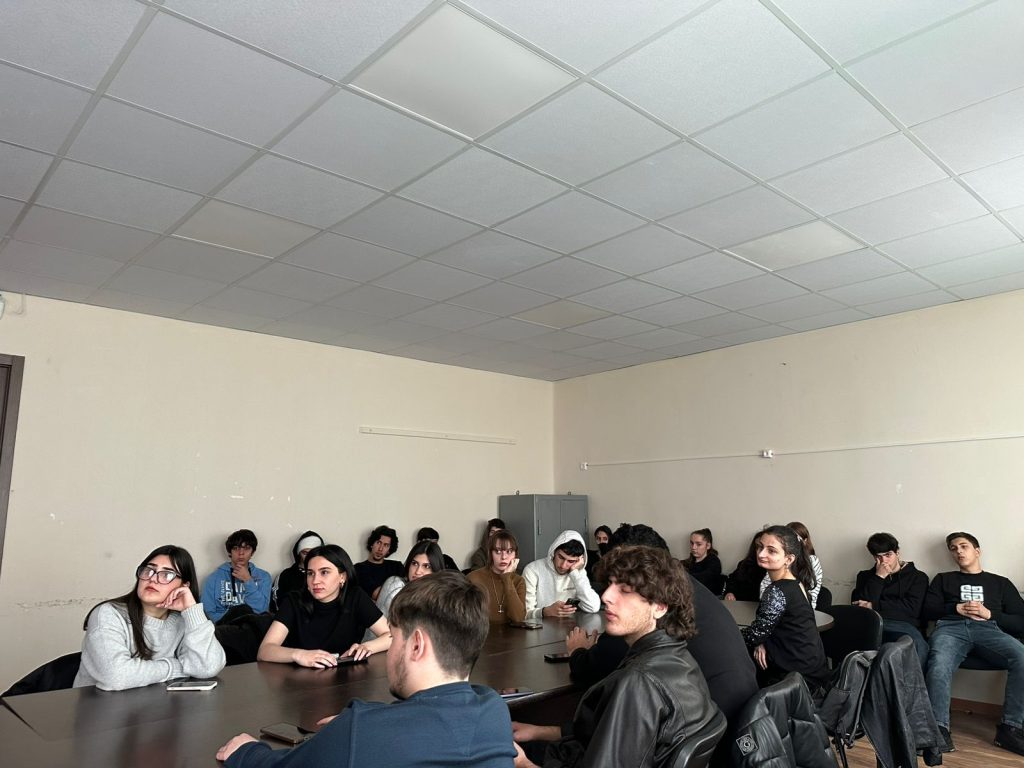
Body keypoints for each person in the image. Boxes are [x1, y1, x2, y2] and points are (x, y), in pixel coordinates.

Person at [217, 571, 517, 767]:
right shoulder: (493, 709)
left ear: (416, 645)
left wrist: (247, 752)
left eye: (394, 637)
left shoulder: (362, 729)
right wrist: (372, 721)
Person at [511, 545, 722, 768]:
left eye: (625, 590)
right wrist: (537, 731)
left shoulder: (638, 683)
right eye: (611, 584)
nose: (606, 596)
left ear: (660, 607)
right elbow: (605, 735)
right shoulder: (681, 659)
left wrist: (523, 764)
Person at [565, 523, 756, 767]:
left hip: (722, 739)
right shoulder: (684, 602)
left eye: (627, 585)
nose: (607, 596)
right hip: (734, 721)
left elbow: (597, 668)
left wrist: (578, 653)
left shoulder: (639, 672)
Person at [922, 531, 1024, 756]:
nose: (958, 551)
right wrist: (954, 608)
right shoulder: (943, 579)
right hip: (950, 628)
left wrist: (990, 614)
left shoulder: (1000, 583)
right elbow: (927, 610)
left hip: (989, 629)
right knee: (939, 664)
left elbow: (1020, 620)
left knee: (1022, 656)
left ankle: (1011, 729)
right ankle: (938, 729)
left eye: (963, 546)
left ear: (977, 551)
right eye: (953, 548)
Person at [75, 545, 225, 690]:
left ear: (184, 586)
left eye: (167, 574)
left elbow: (208, 667)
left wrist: (192, 611)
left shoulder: (184, 621)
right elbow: (116, 676)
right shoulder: (108, 614)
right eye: (149, 570)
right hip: (100, 704)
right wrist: (179, 667)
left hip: (159, 704)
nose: (152, 579)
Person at [257, 545, 391, 667]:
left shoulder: (355, 597)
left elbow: (391, 636)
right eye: (310, 573)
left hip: (345, 675)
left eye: (324, 572)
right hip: (300, 677)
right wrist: (299, 655)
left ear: (342, 577)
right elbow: (265, 650)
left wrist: (367, 647)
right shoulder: (294, 601)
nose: (315, 581)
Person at [742, 525, 828, 692]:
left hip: (797, 680)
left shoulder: (777, 590)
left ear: (789, 559)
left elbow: (754, 635)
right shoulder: (796, 582)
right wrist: (761, 640)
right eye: (760, 546)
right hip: (813, 670)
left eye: (771, 551)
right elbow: (766, 630)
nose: (761, 554)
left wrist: (734, 634)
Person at [851, 532, 929, 669]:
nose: (884, 561)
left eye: (888, 555)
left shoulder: (918, 577)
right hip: (872, 624)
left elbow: (912, 609)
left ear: (897, 553)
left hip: (904, 626)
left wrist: (872, 606)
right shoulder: (865, 576)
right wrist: (879, 577)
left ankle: (913, 685)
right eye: (878, 557)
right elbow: (861, 609)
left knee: (916, 646)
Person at [523, 530, 601, 621]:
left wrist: (575, 574)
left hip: (569, 627)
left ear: (579, 560)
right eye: (561, 557)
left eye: (571, 561)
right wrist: (544, 612)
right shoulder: (532, 570)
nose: (563, 565)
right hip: (539, 627)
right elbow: (524, 613)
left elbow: (593, 607)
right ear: (554, 552)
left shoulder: (577, 572)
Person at [201, 529, 272, 622]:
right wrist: (233, 620)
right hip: (224, 625)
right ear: (230, 552)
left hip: (252, 625)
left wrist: (248, 580)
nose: (241, 553)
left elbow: (262, 610)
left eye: (246, 548)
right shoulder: (214, 578)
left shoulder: (263, 577)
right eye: (236, 548)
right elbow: (207, 613)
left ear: (253, 552)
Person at [758, 521, 823, 608]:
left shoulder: (812, 560)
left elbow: (812, 596)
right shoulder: (776, 563)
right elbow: (764, 592)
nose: (761, 555)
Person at [468, 529, 526, 623]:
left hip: (511, 632)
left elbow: (518, 618)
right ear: (490, 553)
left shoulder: (519, 581)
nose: (503, 557)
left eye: (509, 551)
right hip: (480, 631)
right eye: (498, 551)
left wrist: (506, 578)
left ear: (515, 555)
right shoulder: (473, 578)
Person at [376, 540, 446, 616]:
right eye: (414, 563)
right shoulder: (396, 585)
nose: (418, 572)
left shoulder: (439, 598)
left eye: (426, 566)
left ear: (436, 570)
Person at [271, 530, 324, 612]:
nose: (309, 556)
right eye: (305, 553)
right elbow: (276, 603)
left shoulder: (327, 575)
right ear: (298, 553)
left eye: (313, 553)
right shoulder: (286, 575)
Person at [354, 525, 403, 601]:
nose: (380, 549)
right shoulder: (359, 568)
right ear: (372, 544)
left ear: (389, 550)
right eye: (378, 542)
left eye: (386, 545)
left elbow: (409, 591)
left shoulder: (397, 566)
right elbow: (377, 596)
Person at [724, 531, 765, 601]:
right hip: (737, 602)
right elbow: (732, 580)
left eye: (762, 547)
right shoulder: (745, 564)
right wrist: (729, 592)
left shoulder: (771, 571)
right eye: (757, 547)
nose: (760, 552)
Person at [683, 528, 723, 592]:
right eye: (692, 543)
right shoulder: (686, 562)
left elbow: (703, 579)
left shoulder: (714, 562)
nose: (693, 547)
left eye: (698, 544)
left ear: (708, 546)